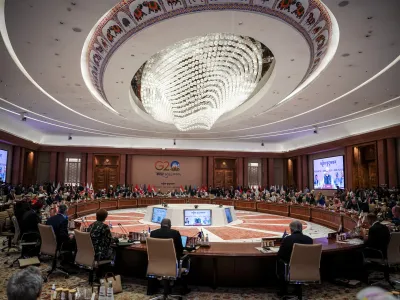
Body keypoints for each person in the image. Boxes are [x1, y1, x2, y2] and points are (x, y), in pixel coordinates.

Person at [149, 218, 189, 295]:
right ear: (170, 226)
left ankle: (152, 290)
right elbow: (180, 250)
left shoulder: (153, 233)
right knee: (185, 259)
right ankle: (184, 289)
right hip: (172, 266)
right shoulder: (175, 233)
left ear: (160, 225)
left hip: (156, 266)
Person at [277, 220, 313, 296]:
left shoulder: (288, 239)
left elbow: (280, 254)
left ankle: (283, 289)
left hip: (291, 268)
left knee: (280, 261)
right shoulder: (309, 239)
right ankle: (297, 288)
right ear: (302, 229)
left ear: (291, 229)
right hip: (306, 267)